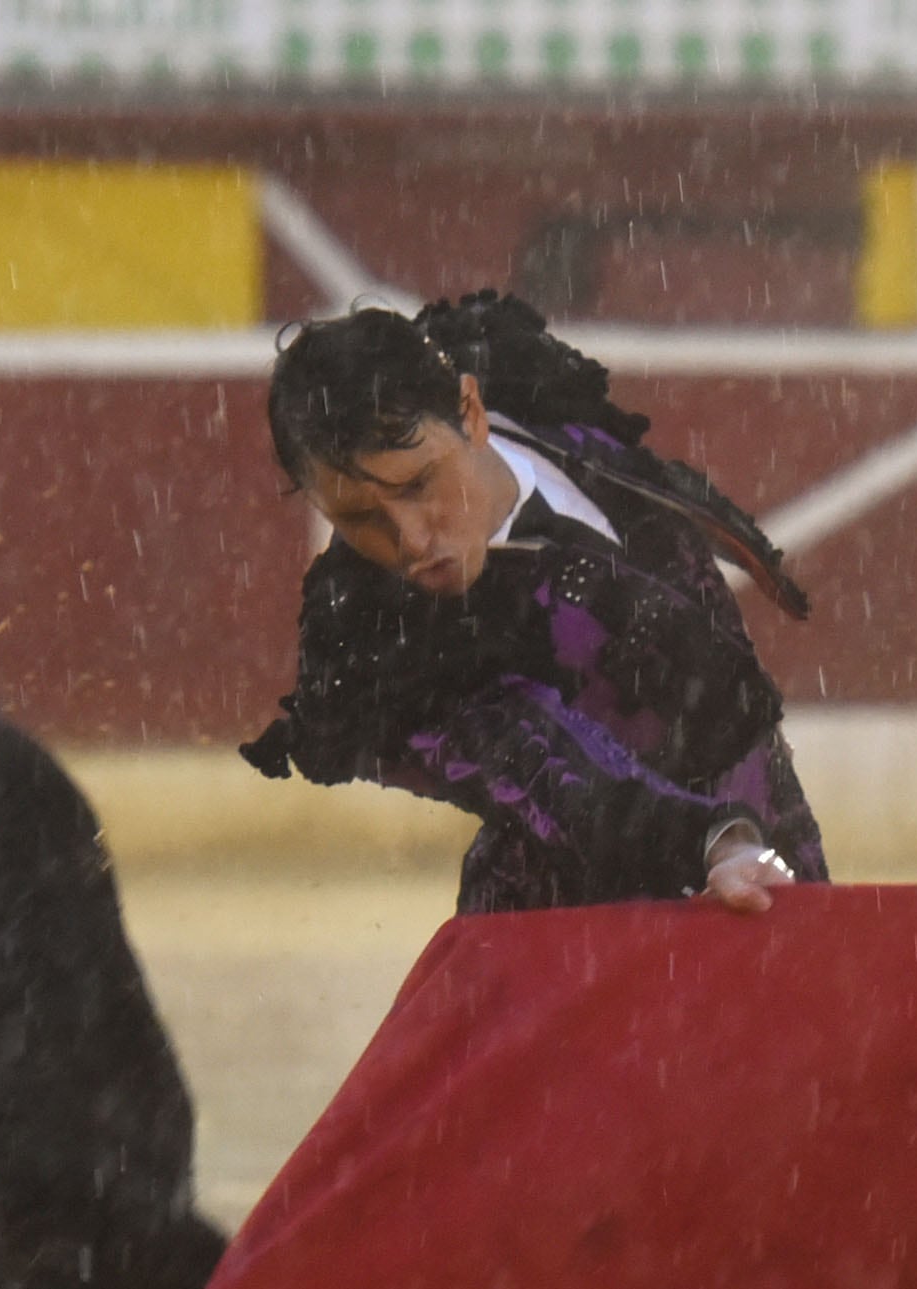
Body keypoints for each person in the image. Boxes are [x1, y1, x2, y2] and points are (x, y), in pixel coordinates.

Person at [242, 291, 825, 918]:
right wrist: (709, 842)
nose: (411, 540)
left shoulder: (537, 408)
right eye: (358, 518)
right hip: (580, 921)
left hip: (766, 840)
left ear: (472, 412)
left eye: (419, 483)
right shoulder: (381, 638)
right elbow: (546, 778)